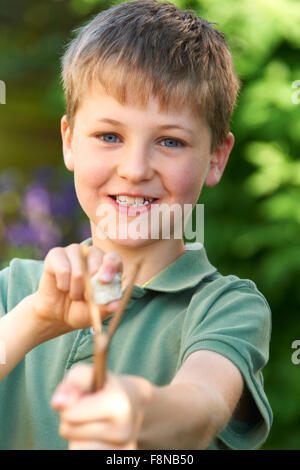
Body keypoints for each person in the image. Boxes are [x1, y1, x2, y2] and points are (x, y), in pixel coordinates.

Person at [0, 0, 272, 450]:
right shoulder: (16, 291)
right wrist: (35, 320)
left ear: (215, 158)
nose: (134, 168)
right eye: (110, 136)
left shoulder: (226, 308)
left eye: (170, 141)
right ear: (69, 141)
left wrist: (137, 411)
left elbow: (200, 407)